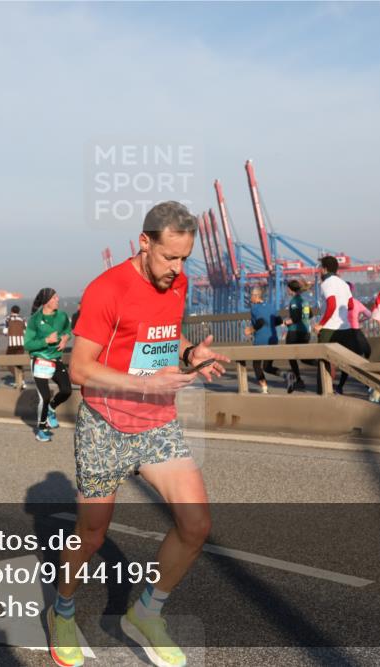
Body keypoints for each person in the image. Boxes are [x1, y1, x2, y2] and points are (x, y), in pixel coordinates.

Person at [49, 201, 228, 667]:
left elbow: (162, 336)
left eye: (185, 258)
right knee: (91, 534)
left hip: (157, 423)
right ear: (144, 243)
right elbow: (80, 367)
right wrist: (146, 383)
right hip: (104, 426)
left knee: (196, 525)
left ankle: (145, 611)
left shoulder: (177, 281)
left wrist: (190, 354)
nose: (177, 268)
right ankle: (62, 609)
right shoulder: (107, 289)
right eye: (170, 257)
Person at [24, 288, 73, 442]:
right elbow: (28, 344)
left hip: (56, 359)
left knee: (66, 390)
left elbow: (68, 330)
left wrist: (65, 339)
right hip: (40, 361)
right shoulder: (34, 320)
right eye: (54, 298)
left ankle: (52, 408)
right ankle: (42, 428)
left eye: (57, 297)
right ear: (46, 302)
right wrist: (46, 341)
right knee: (44, 397)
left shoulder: (62, 316)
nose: (57, 300)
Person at [313, 255, 356, 394]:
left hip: (329, 328)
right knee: (346, 360)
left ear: (324, 269)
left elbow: (331, 305)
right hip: (345, 328)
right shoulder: (343, 284)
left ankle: (324, 392)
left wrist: (321, 324)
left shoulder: (327, 283)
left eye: (320, 268)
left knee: (323, 361)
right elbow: (350, 305)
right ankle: (339, 388)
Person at [335, 281, 372, 394]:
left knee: (348, 362)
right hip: (356, 332)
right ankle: (367, 385)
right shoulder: (356, 302)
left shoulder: (339, 304)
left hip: (344, 333)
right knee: (363, 356)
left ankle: (340, 387)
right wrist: (360, 320)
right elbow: (369, 314)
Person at [244, 286, 280, 393]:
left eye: (251, 295)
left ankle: (264, 388)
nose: (250, 297)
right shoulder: (271, 307)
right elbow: (278, 321)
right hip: (273, 340)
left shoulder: (255, 308)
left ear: (256, 296)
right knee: (267, 366)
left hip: (261, 341)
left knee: (256, 365)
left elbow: (260, 322)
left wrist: (250, 330)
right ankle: (286, 375)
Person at [283, 279, 311, 393]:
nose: (286, 290)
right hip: (305, 332)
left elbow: (295, 318)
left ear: (290, 289)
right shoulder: (305, 300)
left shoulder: (294, 301)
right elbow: (310, 314)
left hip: (295, 332)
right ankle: (319, 364)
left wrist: (286, 322)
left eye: (287, 288)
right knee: (304, 357)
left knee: (291, 355)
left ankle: (298, 380)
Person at [4, 305, 27, 388]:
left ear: (11, 310)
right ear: (19, 311)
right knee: (19, 362)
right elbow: (25, 331)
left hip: (12, 344)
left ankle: (18, 379)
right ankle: (22, 381)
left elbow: (5, 331)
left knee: (9, 362)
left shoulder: (8, 318)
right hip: (21, 344)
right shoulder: (23, 319)